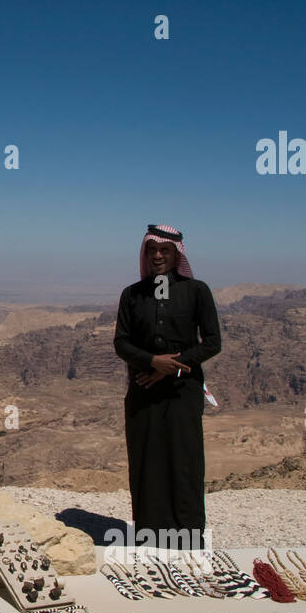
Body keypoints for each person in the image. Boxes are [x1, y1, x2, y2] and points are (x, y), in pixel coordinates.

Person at [112, 224, 221, 549]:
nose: (158, 256)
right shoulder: (132, 295)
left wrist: (169, 368)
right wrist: (151, 362)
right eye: (152, 250)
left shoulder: (197, 290)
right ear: (145, 253)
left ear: (176, 254)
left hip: (182, 393)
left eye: (165, 250)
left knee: (184, 462)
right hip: (143, 393)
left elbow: (212, 342)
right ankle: (149, 539)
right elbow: (121, 343)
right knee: (147, 463)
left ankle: (188, 542)